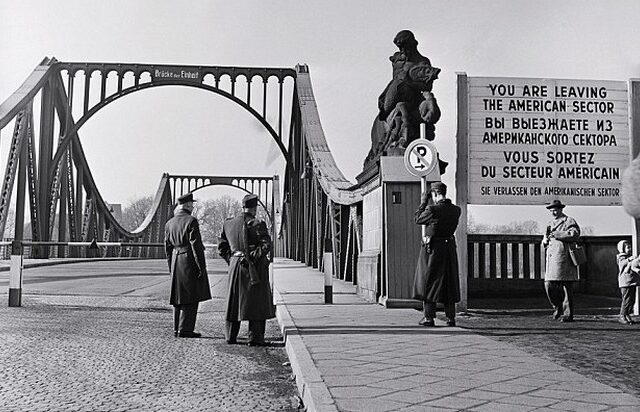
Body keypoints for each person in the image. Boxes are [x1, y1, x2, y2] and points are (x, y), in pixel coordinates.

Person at [218, 193, 275, 346]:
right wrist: (252, 258)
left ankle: (230, 336)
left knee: (234, 301)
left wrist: (232, 260)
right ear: (254, 208)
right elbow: (266, 245)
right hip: (252, 268)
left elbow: (221, 248)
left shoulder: (228, 224)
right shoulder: (258, 224)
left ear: (242, 207)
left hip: (235, 265)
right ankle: (255, 338)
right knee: (256, 302)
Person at [412, 182, 461, 327]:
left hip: (433, 249)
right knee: (449, 282)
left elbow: (418, 219)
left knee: (429, 281)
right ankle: (451, 318)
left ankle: (429, 317)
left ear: (434, 194)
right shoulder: (456, 210)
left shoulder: (432, 209)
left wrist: (423, 202)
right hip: (449, 247)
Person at [164, 192, 211, 338]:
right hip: (188, 260)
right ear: (189, 205)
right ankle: (186, 329)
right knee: (191, 296)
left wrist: (170, 266)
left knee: (178, 296)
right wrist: (201, 267)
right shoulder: (191, 221)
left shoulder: (169, 223)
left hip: (176, 260)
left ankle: (176, 328)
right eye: (192, 204)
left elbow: (167, 247)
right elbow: (196, 246)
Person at [541, 199, 581, 323]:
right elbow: (545, 238)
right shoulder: (549, 223)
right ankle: (557, 307)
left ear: (560, 209)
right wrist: (544, 241)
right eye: (551, 210)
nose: (553, 212)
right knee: (549, 285)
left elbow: (575, 234)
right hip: (552, 259)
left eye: (555, 210)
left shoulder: (569, 220)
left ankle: (568, 314)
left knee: (566, 287)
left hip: (564, 258)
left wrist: (558, 234)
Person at [616, 240, 640, 325]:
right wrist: (630, 259)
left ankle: (627, 314)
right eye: (627, 247)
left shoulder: (629, 257)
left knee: (631, 300)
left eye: (630, 247)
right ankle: (622, 315)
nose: (629, 249)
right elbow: (622, 263)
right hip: (625, 282)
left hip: (632, 282)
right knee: (626, 300)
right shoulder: (621, 257)